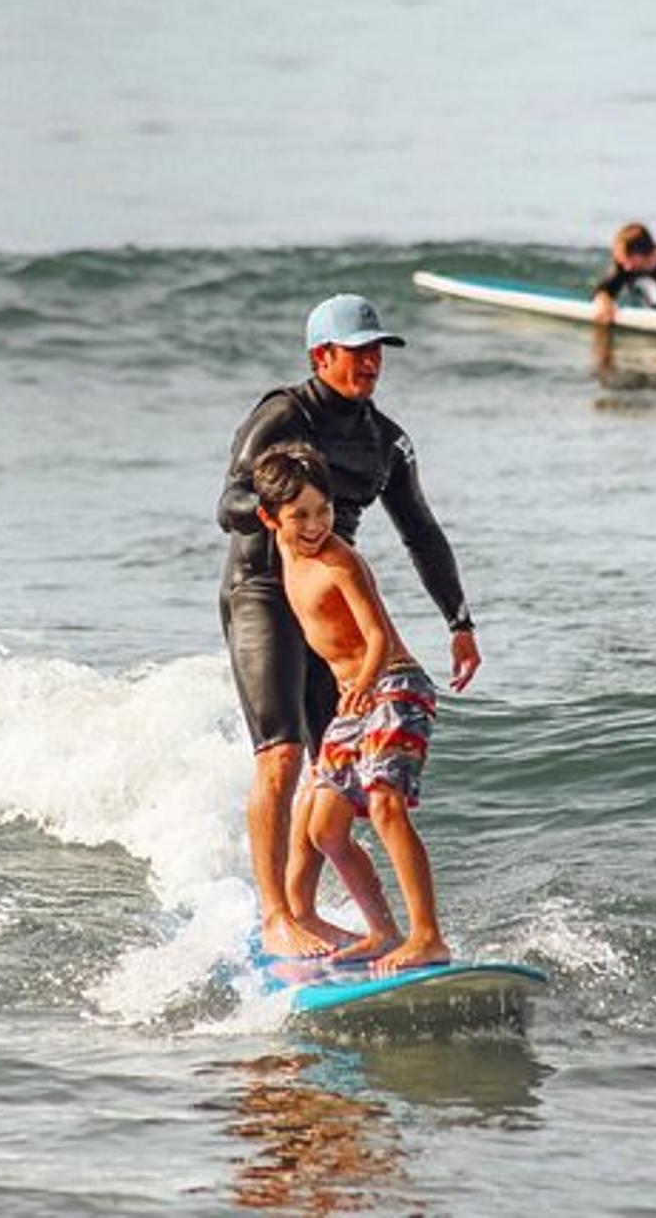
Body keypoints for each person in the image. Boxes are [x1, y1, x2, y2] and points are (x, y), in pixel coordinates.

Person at [217, 292, 480, 957]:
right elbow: (230, 502)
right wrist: (289, 512)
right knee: (279, 752)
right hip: (263, 589)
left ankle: (316, 910)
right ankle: (276, 913)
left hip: (330, 603)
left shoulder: (385, 440)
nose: (369, 363)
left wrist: (459, 618)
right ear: (321, 355)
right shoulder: (283, 412)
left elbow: (420, 529)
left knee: (329, 770)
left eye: (376, 351)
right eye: (356, 351)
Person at [251, 441, 448, 971]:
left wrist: (362, 683)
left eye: (325, 511)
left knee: (385, 804)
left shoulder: (339, 562)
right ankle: (383, 931)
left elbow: (378, 637)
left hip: (394, 686)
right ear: (270, 518)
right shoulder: (286, 557)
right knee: (324, 829)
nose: (316, 526)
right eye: (301, 516)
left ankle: (427, 934)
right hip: (353, 702)